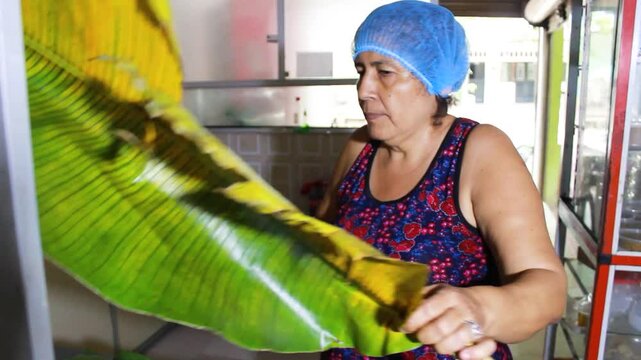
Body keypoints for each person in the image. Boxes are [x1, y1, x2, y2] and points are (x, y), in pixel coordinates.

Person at [316, 1, 567, 359]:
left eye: (384, 72)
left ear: (431, 78)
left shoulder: (478, 151)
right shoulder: (359, 147)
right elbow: (321, 241)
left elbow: (547, 288)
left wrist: (479, 309)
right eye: (361, 70)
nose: (362, 89)